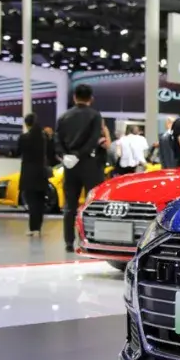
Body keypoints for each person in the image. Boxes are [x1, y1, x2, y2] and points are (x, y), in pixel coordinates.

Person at [56, 84, 106, 252]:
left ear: (74, 97)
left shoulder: (64, 117)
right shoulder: (95, 115)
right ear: (91, 98)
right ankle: (94, 239)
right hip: (89, 164)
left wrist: (66, 155)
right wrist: (79, 154)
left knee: (69, 205)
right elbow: (93, 139)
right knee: (93, 204)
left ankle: (69, 242)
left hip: (70, 165)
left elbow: (57, 139)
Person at [18, 113, 49, 236]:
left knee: (32, 203)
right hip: (42, 172)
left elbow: (17, 152)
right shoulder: (44, 137)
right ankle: (38, 228)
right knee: (40, 202)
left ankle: (33, 228)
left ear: (26, 124)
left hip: (29, 173)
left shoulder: (24, 138)